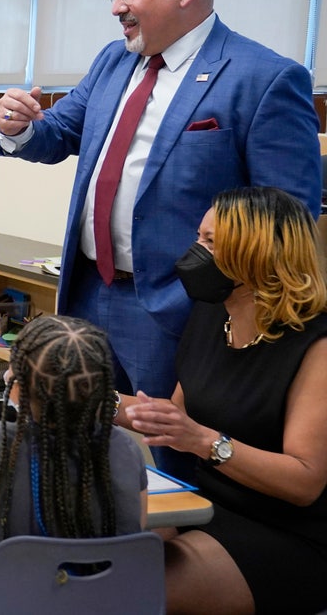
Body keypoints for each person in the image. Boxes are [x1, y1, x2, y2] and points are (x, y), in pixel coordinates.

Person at [0, 0, 321, 475]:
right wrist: (19, 125)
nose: (116, 5)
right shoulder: (112, 61)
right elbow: (56, 134)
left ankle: (167, 559)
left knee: (163, 464)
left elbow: (288, 220)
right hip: (84, 292)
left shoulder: (263, 78)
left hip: (181, 311)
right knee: (70, 449)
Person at [124, 187, 327, 614]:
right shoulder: (214, 314)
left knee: (128, 591)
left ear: (255, 254)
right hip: (204, 505)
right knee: (84, 553)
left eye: (211, 243)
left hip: (289, 533)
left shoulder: (316, 345)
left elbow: (305, 482)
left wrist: (204, 441)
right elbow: (173, 418)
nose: (194, 252)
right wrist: (85, 397)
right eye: (200, 236)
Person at [0, 316, 149, 596]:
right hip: (109, 604)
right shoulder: (125, 447)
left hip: (20, 602)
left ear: (19, 386)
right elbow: (133, 537)